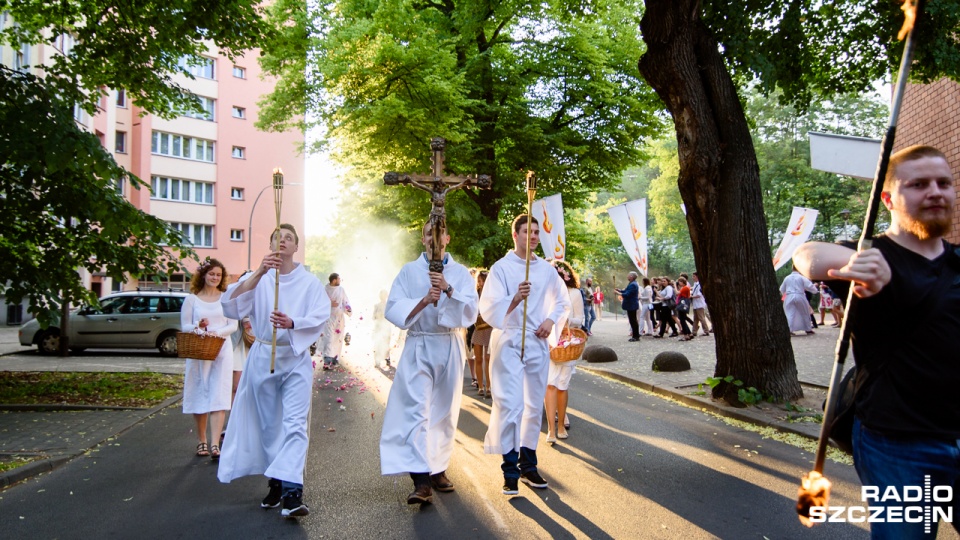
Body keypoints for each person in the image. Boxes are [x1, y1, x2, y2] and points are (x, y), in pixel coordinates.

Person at [793, 145, 960, 539]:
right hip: (897, 443)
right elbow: (807, 254)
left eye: (944, 183)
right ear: (888, 199)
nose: (935, 191)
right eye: (918, 184)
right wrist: (851, 264)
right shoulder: (869, 255)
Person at [218, 224, 330, 519]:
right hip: (263, 355)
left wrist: (293, 322)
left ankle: (294, 493)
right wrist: (258, 273)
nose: (283, 242)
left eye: (289, 238)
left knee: (294, 424)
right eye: (277, 238)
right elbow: (230, 306)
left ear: (296, 247)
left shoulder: (309, 282)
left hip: (294, 356)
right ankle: (277, 480)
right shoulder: (259, 278)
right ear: (270, 246)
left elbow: (320, 315)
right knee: (270, 426)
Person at [379, 221, 479, 505]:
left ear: (447, 238)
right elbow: (393, 307)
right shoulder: (409, 271)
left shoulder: (459, 273)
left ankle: (438, 469)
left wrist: (448, 289)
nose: (433, 240)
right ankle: (421, 479)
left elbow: (471, 311)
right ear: (422, 239)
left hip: (449, 343)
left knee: (443, 413)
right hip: (420, 342)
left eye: (438, 234)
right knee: (416, 411)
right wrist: (423, 300)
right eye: (427, 234)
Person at [482, 215, 570, 496]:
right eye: (526, 232)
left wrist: (550, 320)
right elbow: (487, 307)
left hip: (536, 341)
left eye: (535, 232)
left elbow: (562, 300)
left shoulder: (545, 270)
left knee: (534, 404)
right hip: (509, 341)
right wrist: (515, 298)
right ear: (515, 235)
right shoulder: (501, 268)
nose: (532, 236)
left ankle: (528, 464)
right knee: (511, 404)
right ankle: (509, 470)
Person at [181, 258, 237, 460]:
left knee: (219, 394)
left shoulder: (226, 299)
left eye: (218, 275)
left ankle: (215, 445)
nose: (215, 277)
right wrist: (199, 325)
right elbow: (185, 326)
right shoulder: (192, 300)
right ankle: (201, 441)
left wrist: (215, 333)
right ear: (203, 275)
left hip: (222, 350)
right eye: (212, 273)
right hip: (199, 352)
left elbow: (233, 325)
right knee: (201, 391)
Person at [545, 260, 583, 443]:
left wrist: (566, 320)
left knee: (562, 385)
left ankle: (561, 425)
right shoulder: (545, 293)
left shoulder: (574, 293)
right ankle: (551, 429)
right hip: (549, 343)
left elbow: (580, 319)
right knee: (550, 385)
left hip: (568, 343)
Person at [318, 272, 351, 370]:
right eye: (338, 279)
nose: (340, 281)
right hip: (328, 318)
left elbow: (345, 301)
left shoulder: (341, 290)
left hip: (339, 318)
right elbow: (320, 302)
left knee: (337, 339)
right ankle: (327, 360)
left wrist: (348, 309)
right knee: (329, 338)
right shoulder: (324, 290)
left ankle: (334, 359)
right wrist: (329, 303)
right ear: (334, 280)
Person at [472, 270, 493, 398]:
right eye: (479, 281)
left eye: (482, 281)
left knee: (488, 359)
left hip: (490, 328)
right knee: (478, 359)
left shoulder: (492, 294)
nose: (480, 283)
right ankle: (480, 386)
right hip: (478, 328)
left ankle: (489, 386)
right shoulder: (475, 294)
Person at [779, 266, 817, 335]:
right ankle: (808, 329)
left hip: (789, 295)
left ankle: (789, 330)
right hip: (800, 295)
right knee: (805, 312)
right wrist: (815, 291)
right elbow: (810, 286)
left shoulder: (787, 278)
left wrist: (785, 294)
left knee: (789, 314)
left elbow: (782, 289)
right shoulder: (802, 277)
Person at [615, 272, 640, 341]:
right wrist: (620, 290)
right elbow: (626, 291)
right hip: (631, 304)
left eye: (628, 275)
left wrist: (618, 293)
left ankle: (635, 336)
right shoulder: (631, 284)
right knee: (632, 320)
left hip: (631, 304)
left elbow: (627, 294)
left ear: (631, 276)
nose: (627, 276)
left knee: (633, 321)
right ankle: (635, 335)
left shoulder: (633, 284)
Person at [371, 289, 392, 369]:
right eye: (382, 295)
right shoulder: (377, 305)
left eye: (384, 295)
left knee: (386, 342)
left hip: (386, 326)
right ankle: (377, 360)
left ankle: (387, 358)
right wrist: (378, 316)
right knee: (378, 343)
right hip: (379, 326)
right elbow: (373, 317)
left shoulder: (389, 305)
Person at [690, 272, 712, 336]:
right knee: (695, 318)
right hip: (695, 304)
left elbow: (699, 295)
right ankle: (694, 331)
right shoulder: (695, 284)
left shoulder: (700, 285)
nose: (693, 277)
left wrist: (691, 296)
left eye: (694, 276)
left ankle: (706, 330)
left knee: (701, 318)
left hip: (700, 304)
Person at [675, 276, 694, 340]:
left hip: (682, 304)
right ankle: (689, 333)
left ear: (682, 282)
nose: (679, 283)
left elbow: (677, 293)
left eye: (679, 282)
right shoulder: (685, 288)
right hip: (684, 304)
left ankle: (686, 334)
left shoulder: (685, 288)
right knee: (682, 319)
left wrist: (675, 286)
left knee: (682, 320)